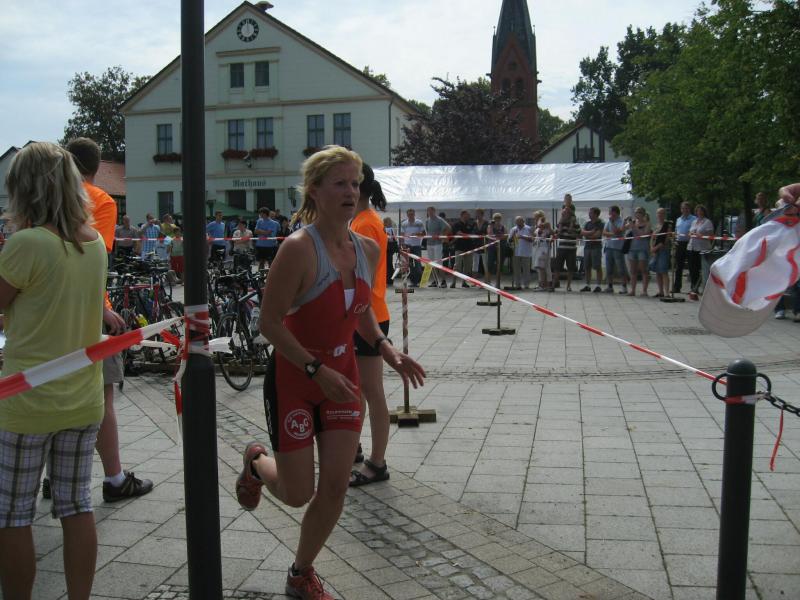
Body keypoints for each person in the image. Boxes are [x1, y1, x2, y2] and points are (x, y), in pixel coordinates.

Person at [234, 146, 425, 600]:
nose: (350, 192)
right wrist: (315, 368)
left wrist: (386, 348)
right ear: (315, 191)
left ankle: (300, 572)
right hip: (295, 381)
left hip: (341, 380)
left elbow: (359, 310)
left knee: (336, 487)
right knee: (297, 493)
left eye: (355, 183)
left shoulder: (368, 249)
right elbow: (269, 324)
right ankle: (257, 463)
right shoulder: (298, 249)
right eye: (339, 183)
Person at [0, 142, 106, 599]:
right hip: (83, 396)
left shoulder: (26, 244)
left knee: (12, 513)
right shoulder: (93, 243)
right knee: (76, 505)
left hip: (27, 400)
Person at [66, 138, 153, 505]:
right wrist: (101, 307)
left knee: (52, 387)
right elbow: (94, 256)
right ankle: (114, 478)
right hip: (88, 308)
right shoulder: (100, 200)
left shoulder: (46, 198)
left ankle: (56, 476)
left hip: (50, 309)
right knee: (102, 397)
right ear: (97, 167)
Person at [349, 163, 393, 486]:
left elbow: (358, 279)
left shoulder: (364, 224)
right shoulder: (363, 220)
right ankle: (355, 448)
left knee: (372, 391)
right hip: (369, 313)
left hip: (369, 316)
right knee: (360, 388)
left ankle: (377, 463)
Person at [687, 204, 714, 301]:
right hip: (692, 247)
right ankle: (694, 287)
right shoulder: (694, 221)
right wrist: (691, 234)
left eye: (701, 210)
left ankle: (704, 287)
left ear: (704, 212)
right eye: (697, 211)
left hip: (702, 248)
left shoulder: (707, 222)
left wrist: (700, 234)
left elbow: (710, 233)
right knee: (692, 268)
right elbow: (689, 232)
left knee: (702, 268)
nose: (699, 212)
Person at [552, 207, 580, 292]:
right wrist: (557, 232)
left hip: (571, 248)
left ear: (570, 214)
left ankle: (568, 286)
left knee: (570, 268)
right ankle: (554, 284)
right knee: (557, 267)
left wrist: (571, 231)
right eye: (562, 213)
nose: (563, 215)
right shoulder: (560, 223)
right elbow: (556, 234)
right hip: (561, 248)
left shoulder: (575, 224)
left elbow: (579, 235)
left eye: (565, 213)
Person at [603, 205, 629, 294]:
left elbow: (618, 231)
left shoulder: (621, 221)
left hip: (618, 248)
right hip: (609, 247)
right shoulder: (608, 221)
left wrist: (613, 225)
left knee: (621, 268)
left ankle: (624, 287)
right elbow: (604, 232)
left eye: (610, 211)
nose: (609, 213)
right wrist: (612, 234)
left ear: (615, 212)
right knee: (609, 268)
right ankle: (610, 286)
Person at [627, 207, 652, 297]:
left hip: (643, 249)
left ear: (643, 214)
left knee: (643, 270)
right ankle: (632, 290)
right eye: (636, 212)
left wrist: (634, 227)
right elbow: (622, 229)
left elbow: (643, 235)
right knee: (633, 271)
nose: (636, 214)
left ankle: (644, 291)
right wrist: (626, 221)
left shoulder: (647, 223)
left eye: (638, 212)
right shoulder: (633, 222)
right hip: (632, 249)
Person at [424, 206, 450, 288]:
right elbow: (428, 231)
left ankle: (443, 281)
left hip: (437, 244)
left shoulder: (439, 220)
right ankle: (435, 281)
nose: (430, 213)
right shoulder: (427, 221)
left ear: (434, 211)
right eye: (428, 211)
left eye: (431, 211)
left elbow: (448, 228)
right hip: (429, 244)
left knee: (439, 262)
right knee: (431, 263)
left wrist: (441, 235)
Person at [672, 202, 695, 294]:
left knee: (691, 266)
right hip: (680, 243)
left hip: (690, 243)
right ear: (681, 209)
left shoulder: (694, 219)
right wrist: (675, 239)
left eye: (687, 208)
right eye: (683, 208)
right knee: (678, 266)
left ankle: (693, 288)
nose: (685, 210)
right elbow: (676, 231)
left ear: (689, 209)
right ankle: (677, 287)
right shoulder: (678, 219)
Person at [579, 207, 604, 293]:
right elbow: (582, 232)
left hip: (596, 248)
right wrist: (591, 233)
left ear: (596, 214)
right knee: (587, 267)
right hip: (587, 247)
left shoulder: (600, 224)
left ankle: (598, 285)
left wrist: (587, 235)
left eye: (591, 213)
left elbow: (597, 235)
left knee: (597, 266)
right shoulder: (587, 223)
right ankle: (587, 285)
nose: (589, 214)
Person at [650, 207, 673, 298]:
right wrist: (651, 247)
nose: (660, 215)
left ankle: (667, 292)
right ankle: (660, 291)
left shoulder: (668, 225)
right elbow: (652, 238)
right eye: (658, 213)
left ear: (664, 215)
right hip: (655, 251)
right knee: (657, 271)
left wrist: (656, 248)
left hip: (663, 250)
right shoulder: (656, 226)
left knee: (663, 271)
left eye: (662, 213)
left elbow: (666, 240)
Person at [399, 208, 425, 287]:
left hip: (417, 246)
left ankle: (419, 281)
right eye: (409, 214)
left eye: (412, 214)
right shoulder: (404, 223)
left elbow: (424, 233)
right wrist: (402, 244)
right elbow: (402, 234)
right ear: (407, 215)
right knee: (409, 264)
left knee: (417, 264)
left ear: (414, 214)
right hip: (407, 246)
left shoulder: (419, 222)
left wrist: (417, 234)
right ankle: (413, 281)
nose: (411, 215)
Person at [450, 210, 475, 287]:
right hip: (459, 247)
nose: (468, 216)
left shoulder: (470, 224)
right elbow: (459, 233)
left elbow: (473, 234)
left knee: (467, 267)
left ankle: (464, 282)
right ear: (462, 215)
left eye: (469, 215)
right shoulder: (456, 224)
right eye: (467, 215)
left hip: (469, 248)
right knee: (457, 266)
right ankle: (453, 282)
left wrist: (469, 236)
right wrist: (468, 235)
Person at [508, 216, 533, 290]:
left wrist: (522, 237)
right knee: (516, 270)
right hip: (516, 252)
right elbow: (509, 240)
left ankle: (526, 284)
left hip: (526, 252)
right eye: (517, 222)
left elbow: (532, 239)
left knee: (526, 269)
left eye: (519, 222)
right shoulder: (513, 229)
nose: (518, 223)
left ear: (523, 221)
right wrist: (512, 236)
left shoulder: (528, 228)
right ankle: (517, 284)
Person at [532, 211, 553, 291]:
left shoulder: (545, 224)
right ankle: (541, 284)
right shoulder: (537, 226)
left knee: (542, 266)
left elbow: (541, 226)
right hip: (538, 247)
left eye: (536, 217)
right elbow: (535, 235)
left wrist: (540, 220)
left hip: (544, 248)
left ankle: (544, 285)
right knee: (539, 267)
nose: (535, 219)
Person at [486, 212, 506, 277]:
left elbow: (505, 235)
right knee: (490, 263)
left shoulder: (503, 226)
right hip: (492, 247)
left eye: (498, 218)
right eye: (496, 218)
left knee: (500, 263)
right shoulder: (490, 226)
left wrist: (499, 238)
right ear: (493, 219)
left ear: (500, 219)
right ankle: (488, 279)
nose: (497, 219)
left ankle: (498, 280)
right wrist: (492, 226)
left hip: (501, 246)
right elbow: (490, 234)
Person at [472, 208, 489, 279]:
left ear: (482, 214)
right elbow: (472, 232)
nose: (477, 215)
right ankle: (474, 280)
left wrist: (486, 235)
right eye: (476, 213)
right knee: (475, 263)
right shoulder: (474, 223)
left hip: (484, 245)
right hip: (475, 245)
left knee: (485, 263)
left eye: (478, 213)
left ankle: (487, 279)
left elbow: (489, 233)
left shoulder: (487, 223)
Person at [383, 217, 398, 285]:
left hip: (388, 248)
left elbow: (390, 238)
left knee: (388, 264)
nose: (383, 223)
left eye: (384, 222)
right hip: (390, 248)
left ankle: (389, 279)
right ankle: (389, 279)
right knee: (389, 264)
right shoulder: (392, 229)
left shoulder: (388, 229)